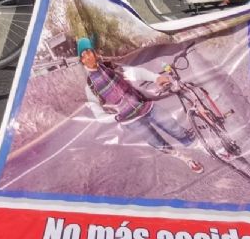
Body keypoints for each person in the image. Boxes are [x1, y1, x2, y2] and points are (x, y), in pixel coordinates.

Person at [76, 37, 204, 174]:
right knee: (159, 144)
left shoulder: (110, 66)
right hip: (131, 121)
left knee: (176, 129)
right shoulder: (90, 87)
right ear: (82, 60)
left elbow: (136, 72)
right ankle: (186, 159)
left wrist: (156, 78)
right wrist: (115, 118)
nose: (89, 55)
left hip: (146, 106)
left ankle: (206, 149)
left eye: (90, 51)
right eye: (85, 54)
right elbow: (98, 114)